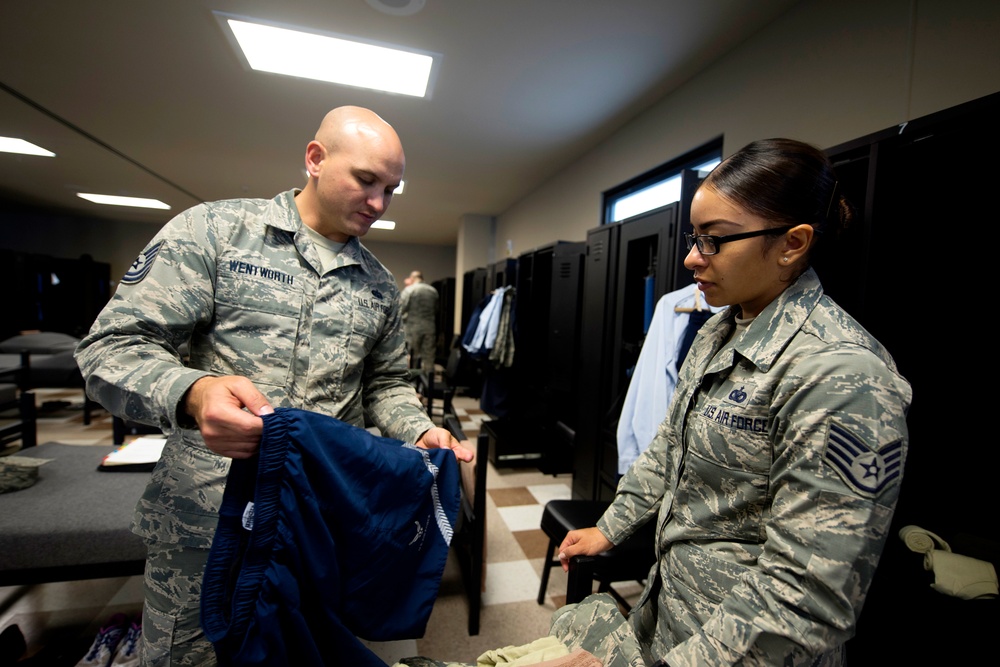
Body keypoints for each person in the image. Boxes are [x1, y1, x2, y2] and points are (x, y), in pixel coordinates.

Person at [74, 106, 473, 666]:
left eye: (392, 189)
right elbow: (110, 348)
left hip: (321, 519)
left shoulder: (379, 286)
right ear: (315, 159)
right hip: (209, 519)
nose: (379, 204)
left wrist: (421, 428)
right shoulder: (215, 232)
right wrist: (194, 392)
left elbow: (386, 383)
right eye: (366, 180)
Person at [551, 138, 912, 666]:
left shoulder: (841, 376)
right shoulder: (718, 331)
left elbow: (805, 600)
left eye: (715, 240)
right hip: (671, 614)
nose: (692, 257)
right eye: (695, 237)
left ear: (792, 243)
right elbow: (670, 445)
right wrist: (611, 526)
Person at [399, 270, 439, 371]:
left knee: (413, 356)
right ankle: (428, 383)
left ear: (412, 279)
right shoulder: (433, 291)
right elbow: (436, 309)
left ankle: (413, 382)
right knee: (429, 357)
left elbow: (400, 308)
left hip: (413, 329)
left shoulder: (410, 290)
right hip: (430, 327)